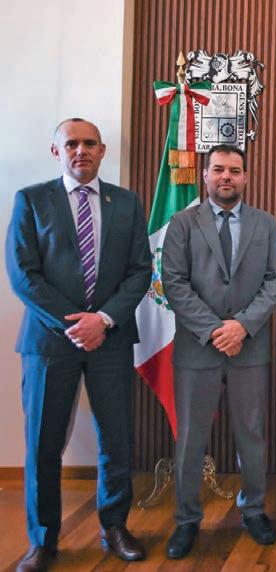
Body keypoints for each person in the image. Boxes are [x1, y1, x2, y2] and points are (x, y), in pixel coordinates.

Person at [5, 118, 151, 571]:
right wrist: (75, 323)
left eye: (90, 143)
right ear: (57, 151)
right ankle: (43, 541)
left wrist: (102, 319)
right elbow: (22, 273)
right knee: (44, 444)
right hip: (50, 342)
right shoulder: (32, 200)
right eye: (72, 144)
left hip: (110, 338)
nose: (81, 150)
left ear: (103, 150)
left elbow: (140, 270)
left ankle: (115, 526)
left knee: (116, 440)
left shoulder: (126, 202)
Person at [161, 144, 276, 558]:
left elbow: (275, 280)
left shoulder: (266, 224)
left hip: (249, 347)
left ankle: (254, 510)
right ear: (206, 175)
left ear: (245, 177)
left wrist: (242, 326)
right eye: (218, 169)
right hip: (198, 348)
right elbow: (174, 282)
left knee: (252, 433)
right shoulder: (182, 223)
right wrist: (216, 330)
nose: (226, 177)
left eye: (233, 170)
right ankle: (186, 519)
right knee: (191, 438)